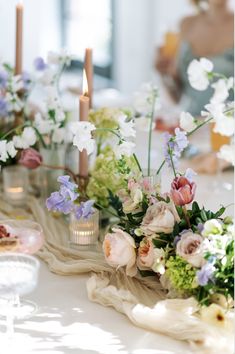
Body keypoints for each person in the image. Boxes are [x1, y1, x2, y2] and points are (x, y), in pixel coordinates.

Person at [156, 0, 234, 116]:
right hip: (191, 125)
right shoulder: (187, 24)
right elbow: (177, 98)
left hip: (228, 128)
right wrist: (164, 74)